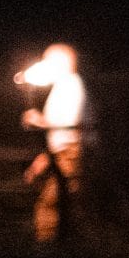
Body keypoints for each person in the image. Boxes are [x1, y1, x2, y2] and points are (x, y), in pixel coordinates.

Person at [21, 42, 85, 243]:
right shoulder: (64, 86)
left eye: (48, 60)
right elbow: (60, 138)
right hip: (65, 153)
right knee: (63, 204)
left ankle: (47, 253)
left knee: (51, 204)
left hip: (71, 155)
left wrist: (36, 120)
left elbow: (66, 128)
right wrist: (41, 161)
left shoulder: (70, 85)